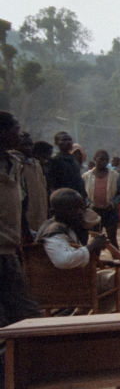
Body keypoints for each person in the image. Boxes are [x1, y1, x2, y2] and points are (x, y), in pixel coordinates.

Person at [37, 188, 120, 311]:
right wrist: (92, 246)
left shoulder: (66, 227)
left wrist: (110, 261)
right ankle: (91, 315)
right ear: (54, 212)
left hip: (70, 280)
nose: (80, 213)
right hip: (67, 285)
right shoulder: (55, 233)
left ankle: (85, 314)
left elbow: (74, 255)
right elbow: (64, 260)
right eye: (73, 209)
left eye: (81, 208)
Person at [0, 112, 40, 326]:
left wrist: (25, 233)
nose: (19, 133)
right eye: (15, 128)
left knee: (26, 313)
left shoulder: (15, 164)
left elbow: (20, 203)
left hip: (9, 249)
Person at [82, 150, 120, 249]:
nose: (103, 162)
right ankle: (95, 262)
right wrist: (89, 204)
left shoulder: (115, 175)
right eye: (101, 159)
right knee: (96, 239)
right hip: (93, 212)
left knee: (112, 238)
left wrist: (112, 203)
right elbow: (82, 194)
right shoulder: (86, 176)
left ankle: (118, 262)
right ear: (95, 159)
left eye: (106, 160)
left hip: (110, 211)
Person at [16, 132, 48, 234]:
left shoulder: (36, 164)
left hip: (40, 214)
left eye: (30, 145)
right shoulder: (16, 165)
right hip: (24, 217)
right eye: (24, 145)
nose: (28, 148)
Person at [47, 131, 86, 198]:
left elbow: (78, 180)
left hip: (77, 197)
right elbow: (52, 183)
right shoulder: (55, 161)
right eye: (64, 140)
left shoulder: (73, 159)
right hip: (64, 198)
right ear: (57, 143)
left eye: (69, 140)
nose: (68, 142)